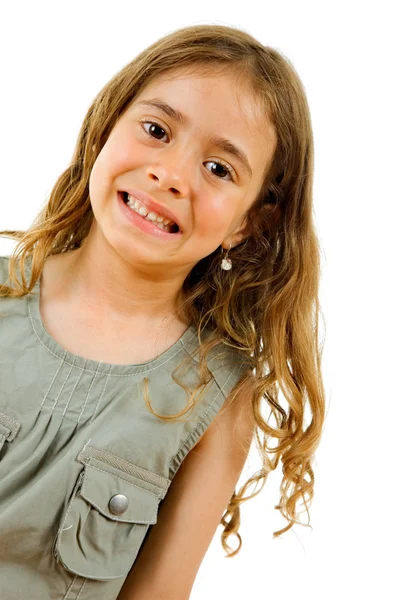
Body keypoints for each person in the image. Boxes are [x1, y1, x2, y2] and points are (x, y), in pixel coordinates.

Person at [0, 23, 326, 600]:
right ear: (106, 127)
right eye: (156, 130)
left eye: (220, 169)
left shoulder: (216, 397)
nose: (170, 175)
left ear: (250, 222)